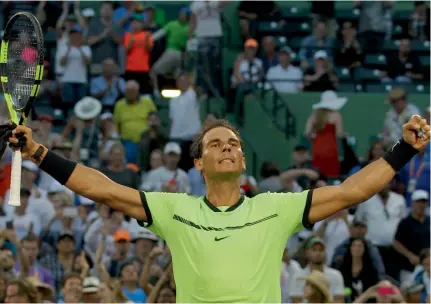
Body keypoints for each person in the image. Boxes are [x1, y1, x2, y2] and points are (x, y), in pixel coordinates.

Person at [2, 114, 430, 302]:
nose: (227, 148)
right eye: (215, 144)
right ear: (199, 163)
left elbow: (350, 192)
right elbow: (106, 190)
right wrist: (39, 152)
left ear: (242, 161)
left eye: (234, 145)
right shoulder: (176, 209)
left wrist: (403, 151)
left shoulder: (275, 208)